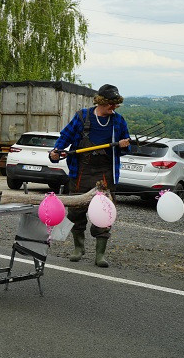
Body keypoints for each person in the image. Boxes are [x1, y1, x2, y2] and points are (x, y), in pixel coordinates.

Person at [50, 84, 131, 268]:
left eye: (116, 104)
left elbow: (127, 148)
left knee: (104, 214)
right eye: (111, 103)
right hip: (81, 173)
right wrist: (56, 152)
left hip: (105, 175)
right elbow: (64, 138)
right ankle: (79, 249)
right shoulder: (82, 117)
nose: (114, 107)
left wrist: (124, 145)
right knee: (76, 212)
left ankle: (100, 255)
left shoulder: (118, 121)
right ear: (101, 101)